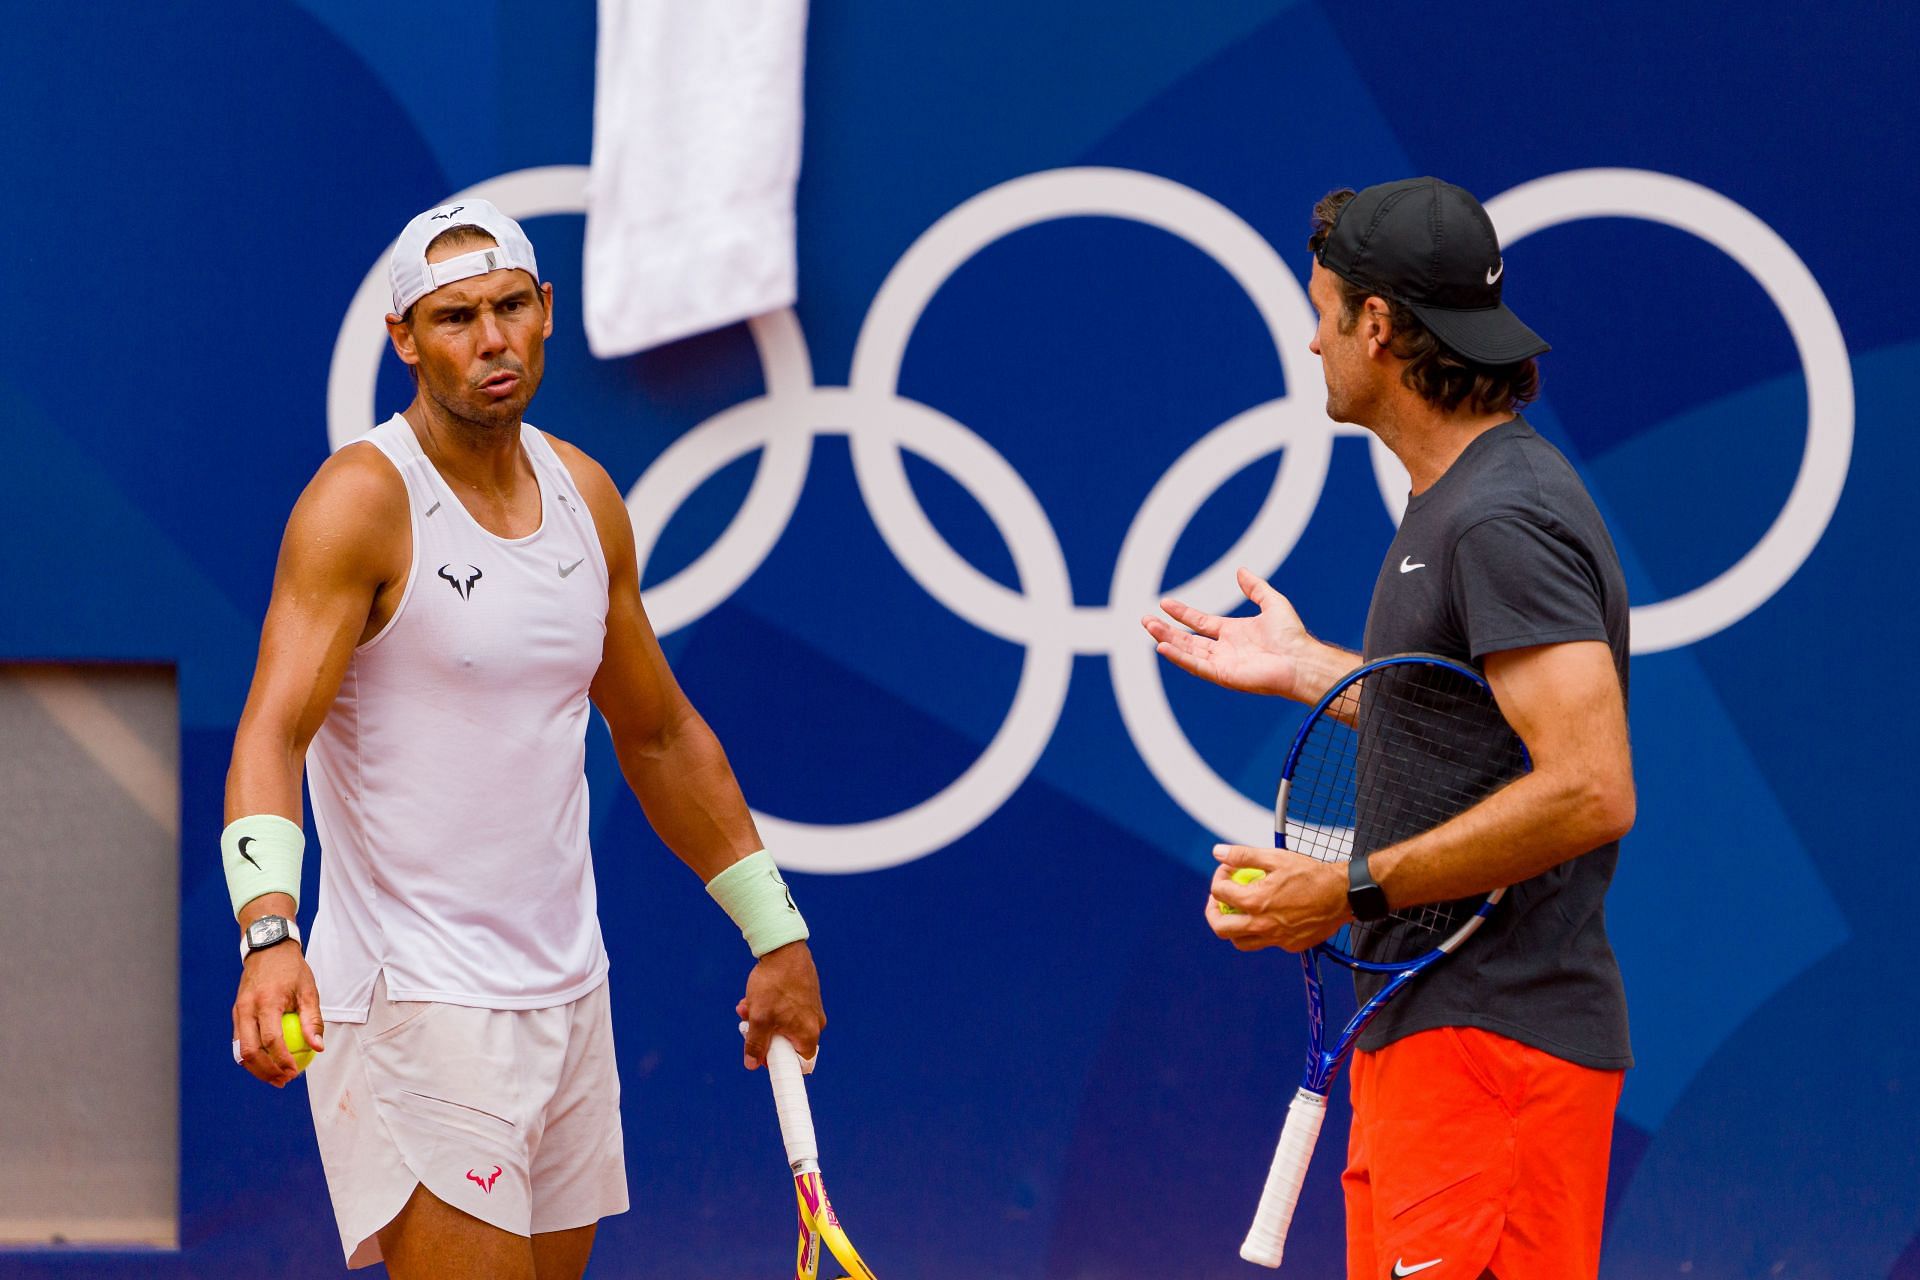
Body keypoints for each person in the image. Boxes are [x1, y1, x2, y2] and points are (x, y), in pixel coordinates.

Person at [221, 198, 826, 1279]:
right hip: (415, 1006)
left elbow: (659, 734)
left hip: (567, 993)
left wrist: (774, 931)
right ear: (404, 337)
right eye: (455, 317)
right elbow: (272, 726)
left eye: (510, 307)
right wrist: (270, 936)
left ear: (548, 312)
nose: (490, 339)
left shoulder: (585, 495)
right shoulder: (360, 500)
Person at [1144, 178, 1635, 1280]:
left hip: (1495, 1053)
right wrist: (1310, 670)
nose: (1311, 340)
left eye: (1322, 311)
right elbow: (1480, 719)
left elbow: (1591, 785)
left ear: (1378, 325)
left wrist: (1347, 887)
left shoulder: (1500, 514)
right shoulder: (1458, 498)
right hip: (1426, 1042)